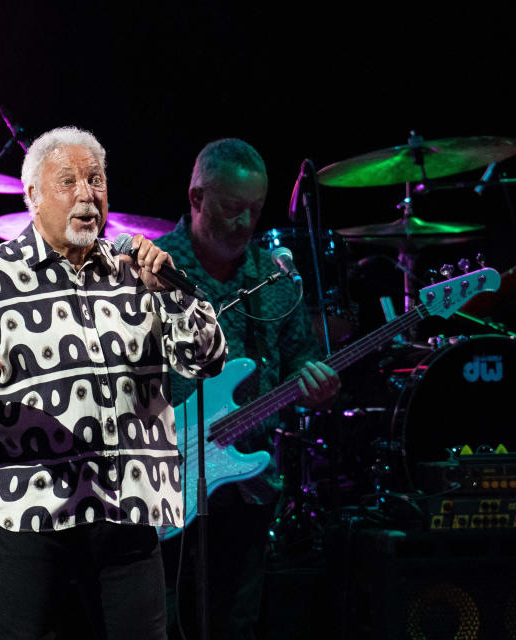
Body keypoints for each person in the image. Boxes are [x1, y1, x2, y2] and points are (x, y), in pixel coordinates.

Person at [0, 126, 228, 640]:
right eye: (68, 181)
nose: (87, 194)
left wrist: (172, 292)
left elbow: (206, 360)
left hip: (128, 509)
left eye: (96, 180)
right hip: (31, 512)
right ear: (33, 196)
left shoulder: (139, 272)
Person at [154, 138, 341, 640]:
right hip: (157, 483)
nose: (244, 224)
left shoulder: (275, 279)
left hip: (247, 483)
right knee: (158, 623)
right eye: (231, 208)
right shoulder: (146, 273)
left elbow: (298, 356)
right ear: (196, 198)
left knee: (235, 624)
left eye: (254, 210)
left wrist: (315, 382)